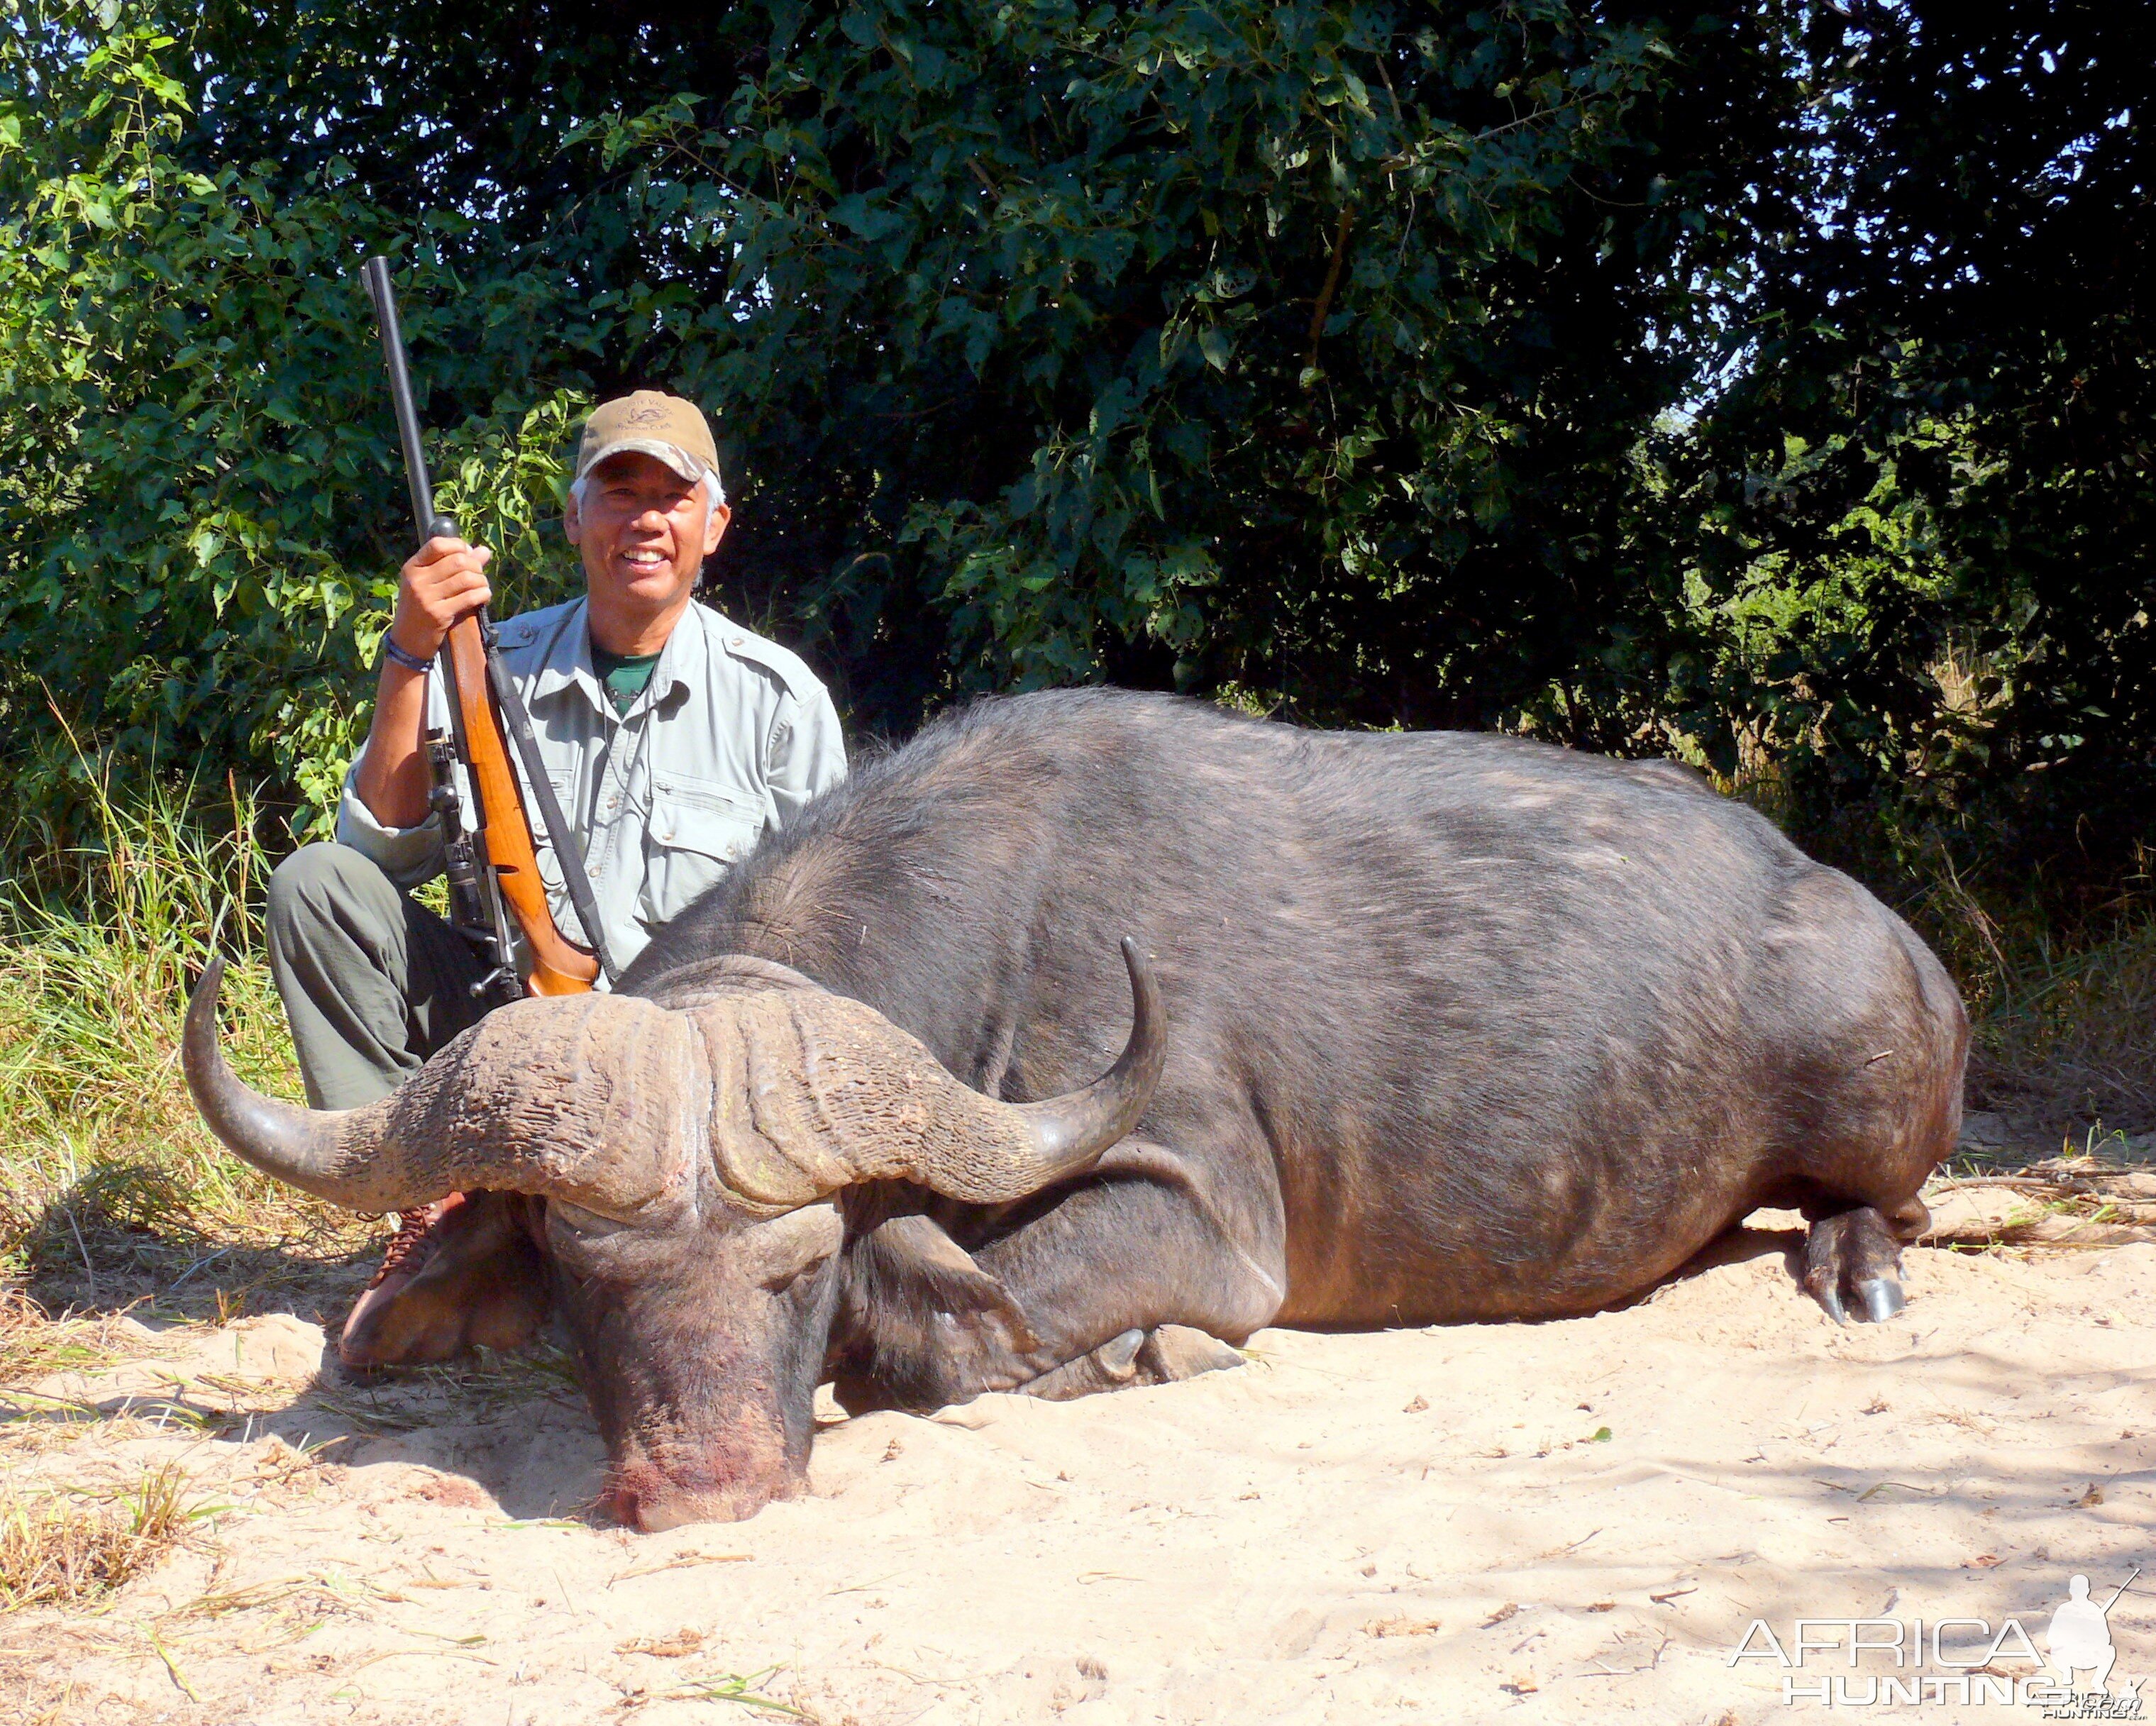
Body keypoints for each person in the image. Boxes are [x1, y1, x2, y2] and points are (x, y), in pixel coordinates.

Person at [265, 391, 846, 1365]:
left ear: (716, 525)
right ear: (575, 517)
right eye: (619, 493)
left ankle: (556, 1248)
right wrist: (411, 651)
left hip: (695, 1100)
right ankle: (442, 1212)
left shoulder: (780, 702)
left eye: (674, 495)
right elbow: (376, 853)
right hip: (510, 1056)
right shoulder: (490, 662)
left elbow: (831, 949)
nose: (645, 518)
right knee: (317, 889)